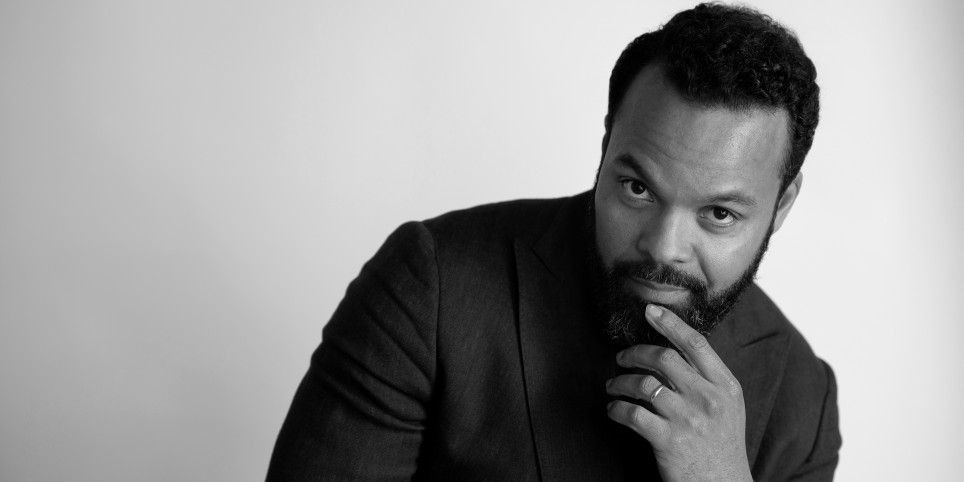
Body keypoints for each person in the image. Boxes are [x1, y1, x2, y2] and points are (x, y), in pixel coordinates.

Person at [267, 3, 841, 481]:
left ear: (781, 205)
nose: (663, 248)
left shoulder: (802, 403)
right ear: (606, 146)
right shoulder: (431, 286)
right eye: (637, 188)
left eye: (718, 214)